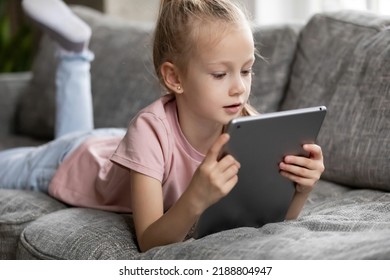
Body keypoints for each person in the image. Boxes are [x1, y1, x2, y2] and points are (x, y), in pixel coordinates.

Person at [0, 0, 325, 252]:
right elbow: (150, 241)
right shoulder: (149, 130)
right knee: (64, 143)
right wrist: (195, 197)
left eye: (246, 70)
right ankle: (74, 57)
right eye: (220, 74)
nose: (239, 88)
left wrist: (300, 190)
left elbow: (269, 219)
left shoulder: (246, 128)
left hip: (118, 146)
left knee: (78, 130)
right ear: (174, 78)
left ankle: (74, 53)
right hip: (76, 160)